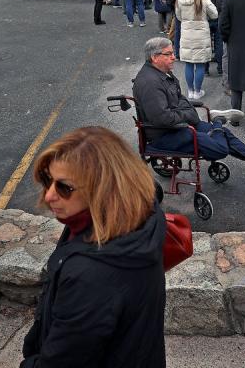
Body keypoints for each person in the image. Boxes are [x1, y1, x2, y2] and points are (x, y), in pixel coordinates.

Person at [21, 126, 166, 367]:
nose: (48, 196)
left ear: (103, 189)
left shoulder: (90, 276)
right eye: (48, 180)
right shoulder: (137, 218)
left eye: (64, 187)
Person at [132, 37, 245, 176]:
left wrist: (188, 112)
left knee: (224, 133)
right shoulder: (150, 83)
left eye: (173, 53)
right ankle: (217, 121)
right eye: (169, 54)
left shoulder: (163, 73)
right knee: (220, 147)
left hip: (178, 126)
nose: (174, 57)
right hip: (166, 135)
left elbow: (179, 98)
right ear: (155, 57)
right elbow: (162, 118)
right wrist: (188, 115)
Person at [175, 0, 217, 100]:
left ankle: (190, 91)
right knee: (199, 64)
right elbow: (214, 15)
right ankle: (198, 91)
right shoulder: (203, 0)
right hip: (201, 35)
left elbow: (179, 17)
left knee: (188, 63)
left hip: (187, 34)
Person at [216, 0, 244, 95]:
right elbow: (221, 7)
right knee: (227, 55)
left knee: (234, 55)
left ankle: (235, 81)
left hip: (237, 26)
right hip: (229, 27)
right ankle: (227, 85)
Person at [200, 0, 224, 76]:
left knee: (206, 43)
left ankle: (205, 69)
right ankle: (220, 68)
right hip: (218, 15)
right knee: (219, 42)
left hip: (204, 15)